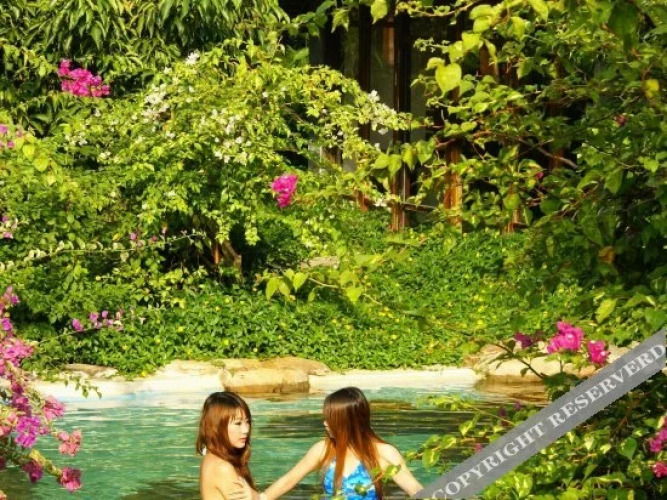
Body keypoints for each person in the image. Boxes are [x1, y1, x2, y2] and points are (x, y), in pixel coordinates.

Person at [255, 386, 423, 499]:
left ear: (348, 422)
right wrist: (260, 498)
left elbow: (415, 490)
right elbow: (290, 479)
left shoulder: (383, 452)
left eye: (331, 420)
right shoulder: (323, 449)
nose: (325, 423)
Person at [197, 392, 257, 500]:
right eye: (238, 423)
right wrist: (257, 497)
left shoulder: (211, 458)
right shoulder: (222, 468)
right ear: (217, 426)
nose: (246, 430)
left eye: (247, 422)